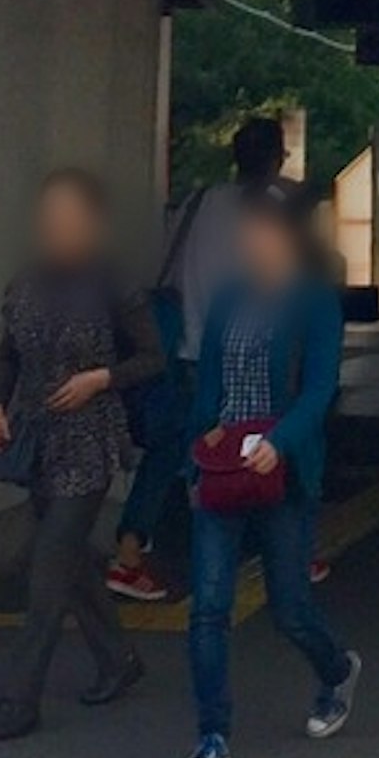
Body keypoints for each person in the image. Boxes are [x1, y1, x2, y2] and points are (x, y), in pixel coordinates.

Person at [0, 169, 162, 741]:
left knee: (48, 567)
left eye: (68, 217)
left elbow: (153, 357)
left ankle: (19, 698)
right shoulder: (25, 282)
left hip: (89, 439)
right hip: (37, 439)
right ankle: (118, 657)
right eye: (49, 217)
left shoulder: (112, 284)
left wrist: (100, 379)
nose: (57, 228)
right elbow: (9, 354)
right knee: (72, 562)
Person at [177, 190, 356, 758]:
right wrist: (200, 449)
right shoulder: (230, 299)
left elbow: (320, 387)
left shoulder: (314, 303)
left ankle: (335, 672)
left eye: (262, 233)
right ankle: (212, 734)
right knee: (208, 608)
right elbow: (210, 382)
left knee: (288, 608)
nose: (251, 244)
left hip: (283, 469)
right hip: (225, 467)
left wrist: (280, 442)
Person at [107, 117, 290, 605]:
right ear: (276, 160)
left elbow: (163, 269)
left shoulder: (195, 203)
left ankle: (130, 551)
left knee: (172, 452)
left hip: (179, 348)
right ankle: (269, 551)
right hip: (239, 356)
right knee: (250, 451)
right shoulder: (271, 211)